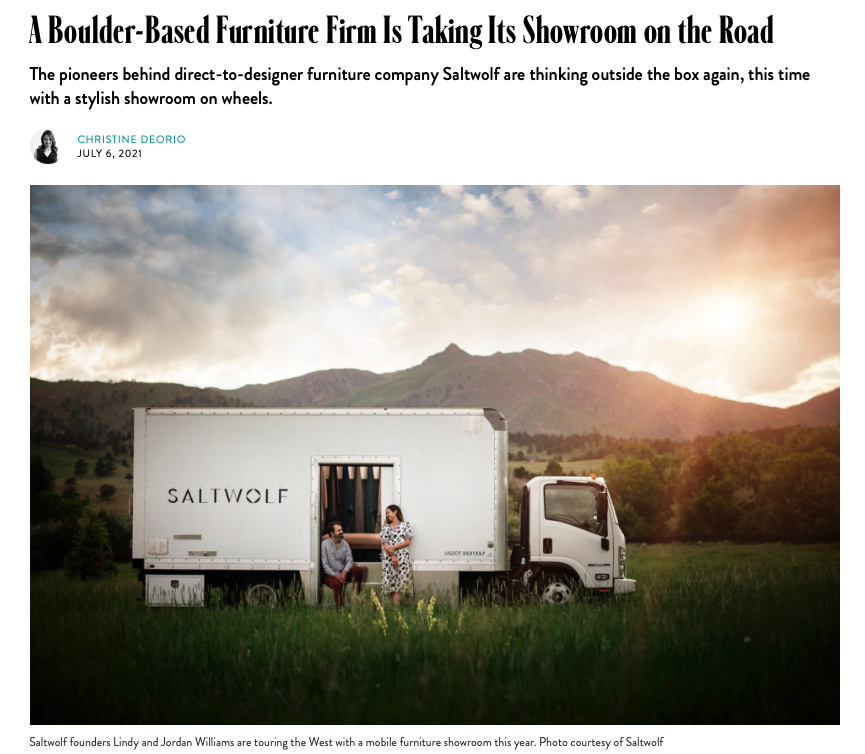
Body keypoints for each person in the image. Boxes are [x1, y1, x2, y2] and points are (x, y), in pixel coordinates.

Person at [321, 521, 367, 607]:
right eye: (339, 530)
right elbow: (325, 565)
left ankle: (356, 595)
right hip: (330, 575)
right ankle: (340, 609)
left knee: (359, 570)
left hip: (343, 573)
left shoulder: (345, 544)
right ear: (332, 533)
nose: (341, 531)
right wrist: (335, 576)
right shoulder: (324, 545)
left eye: (341, 529)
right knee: (336, 584)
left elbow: (350, 561)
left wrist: (344, 572)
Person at [380, 504, 412, 605]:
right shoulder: (385, 528)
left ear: (395, 512)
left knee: (399, 583)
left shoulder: (406, 525)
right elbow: (385, 544)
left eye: (388, 512)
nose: (387, 515)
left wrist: (393, 547)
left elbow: (407, 542)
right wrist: (393, 555)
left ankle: (396, 610)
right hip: (389, 558)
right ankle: (394, 611)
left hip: (402, 557)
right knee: (391, 584)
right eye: (386, 513)